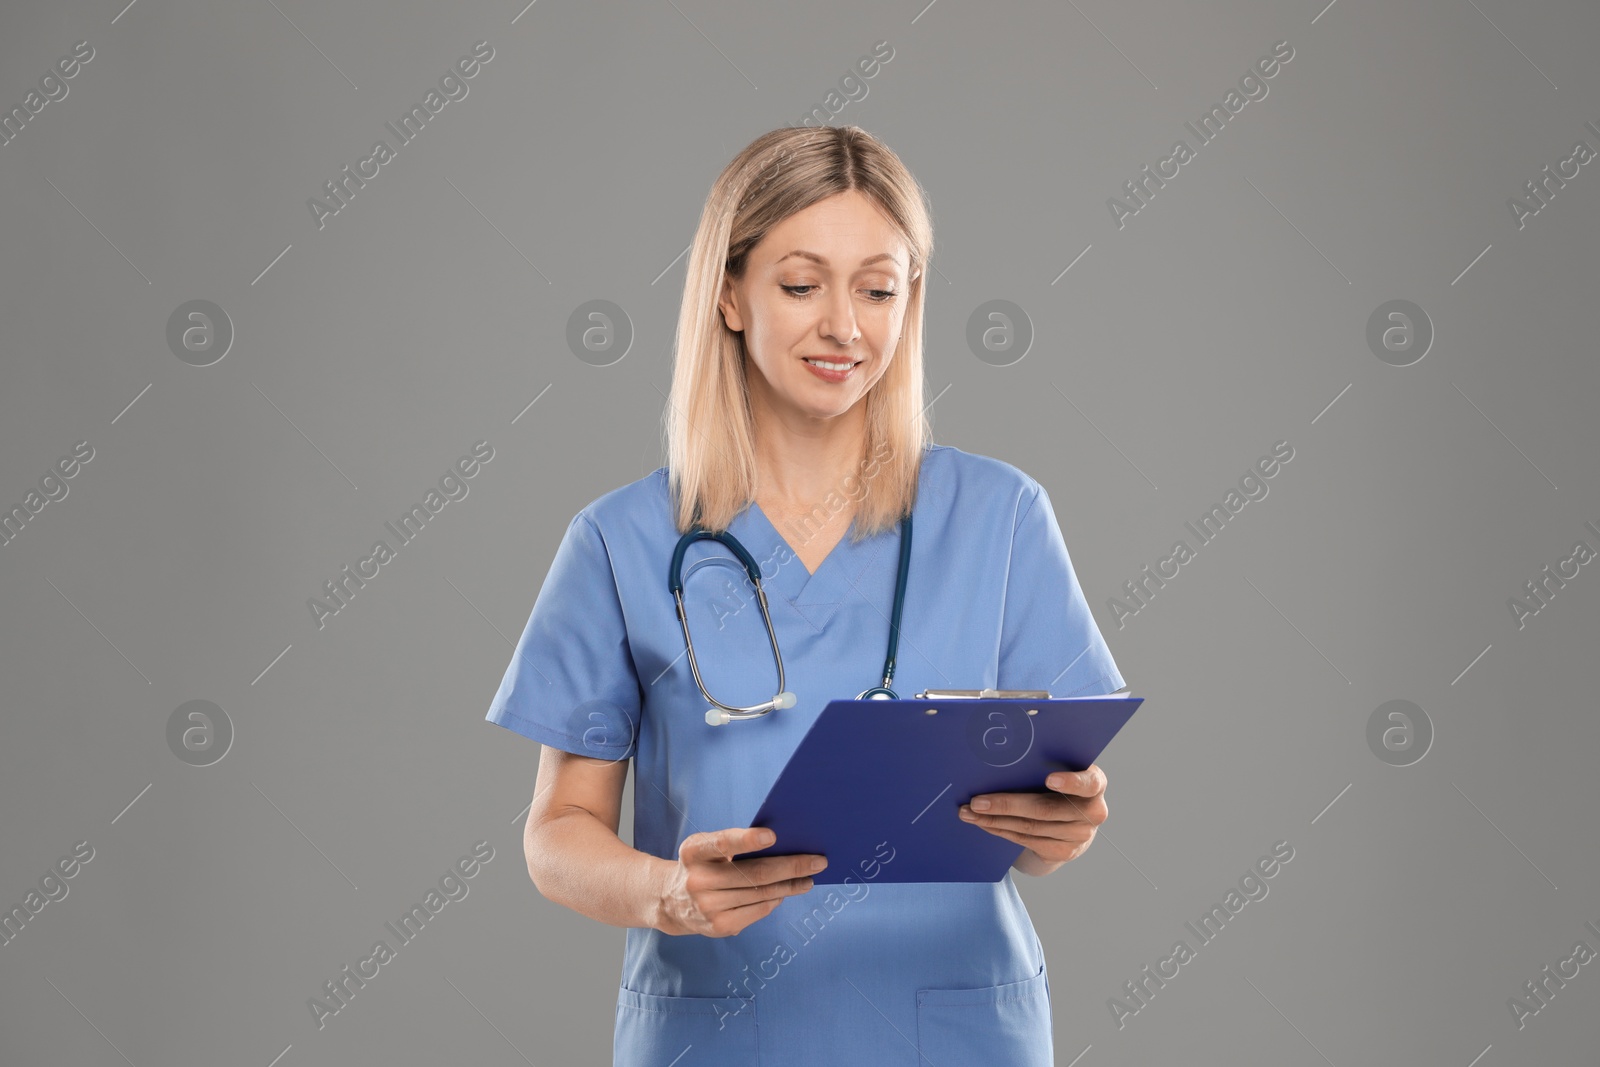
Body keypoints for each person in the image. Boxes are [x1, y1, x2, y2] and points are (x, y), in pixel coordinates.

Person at [484, 124, 1126, 1065]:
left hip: (955, 1029)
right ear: (731, 295)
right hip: (718, 1031)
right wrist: (669, 893)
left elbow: (1044, 818)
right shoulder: (622, 541)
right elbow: (557, 833)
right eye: (800, 284)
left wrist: (1062, 826)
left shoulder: (1002, 516)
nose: (846, 326)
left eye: (878, 288)